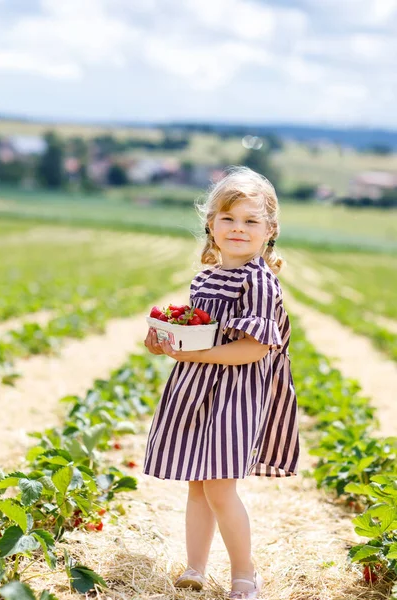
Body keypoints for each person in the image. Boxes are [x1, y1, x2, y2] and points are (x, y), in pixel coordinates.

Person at [143, 165, 300, 599]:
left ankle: (245, 575)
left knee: (220, 486)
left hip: (236, 394)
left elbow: (253, 349)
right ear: (210, 225)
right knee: (198, 481)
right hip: (199, 390)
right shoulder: (207, 277)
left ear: (270, 231)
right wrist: (165, 341)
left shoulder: (259, 281)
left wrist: (193, 354)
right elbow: (199, 332)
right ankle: (195, 567)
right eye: (227, 218)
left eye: (251, 221)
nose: (237, 228)